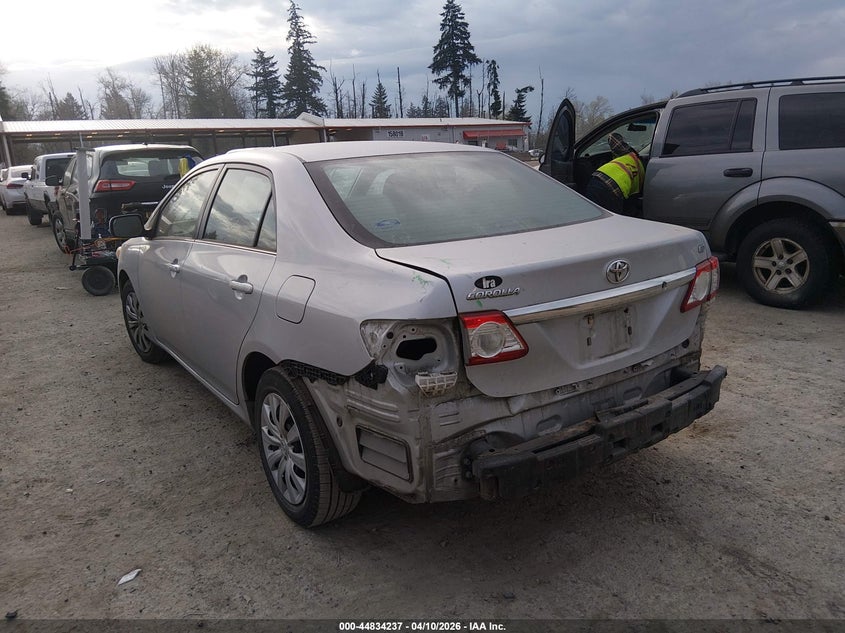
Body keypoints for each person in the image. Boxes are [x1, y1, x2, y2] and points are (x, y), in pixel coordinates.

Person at [584, 132, 645, 214]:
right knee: (611, 221)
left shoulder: (628, 155)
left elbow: (613, 138)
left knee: (591, 215)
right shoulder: (641, 177)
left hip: (596, 179)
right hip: (613, 188)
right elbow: (631, 202)